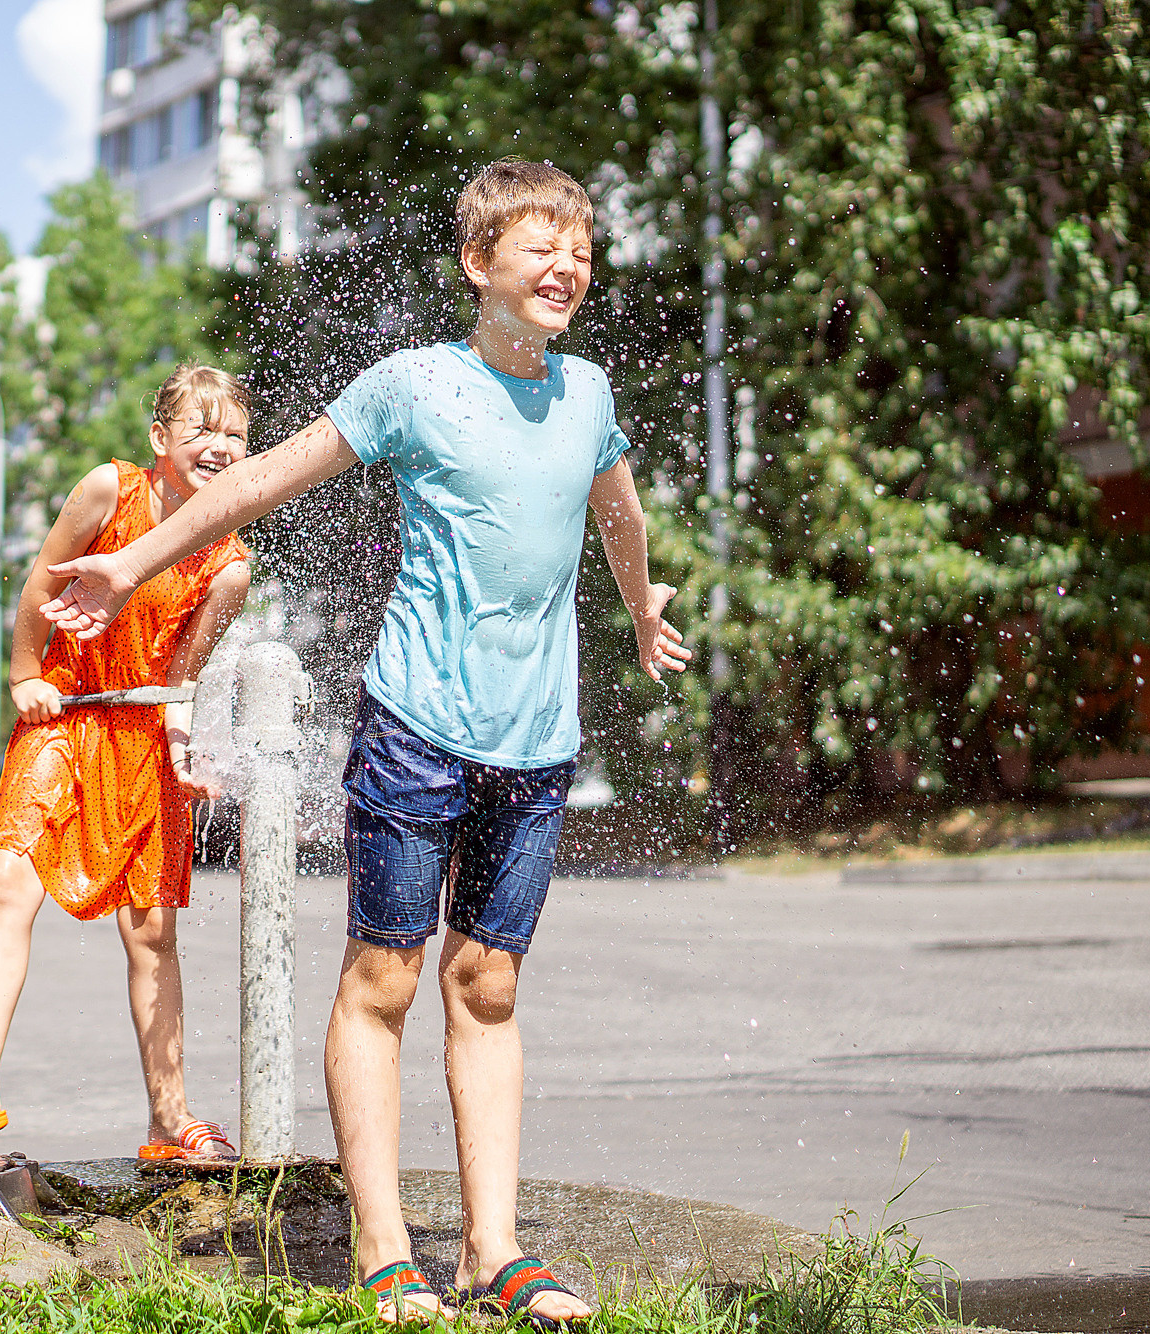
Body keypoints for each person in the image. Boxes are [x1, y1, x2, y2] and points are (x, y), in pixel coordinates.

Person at [40, 160, 692, 1325]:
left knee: (486, 981)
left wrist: (640, 607)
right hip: (415, 726)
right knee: (384, 976)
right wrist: (130, 562)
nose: (566, 267)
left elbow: (617, 510)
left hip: (534, 738)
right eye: (538, 246)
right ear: (476, 264)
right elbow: (257, 486)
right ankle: (383, 1249)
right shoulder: (410, 384)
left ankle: (493, 1250)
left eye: (580, 250)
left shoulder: (585, 393)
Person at [0, 365, 254, 1164]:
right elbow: (42, 577)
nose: (220, 446)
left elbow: (180, 678)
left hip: (137, 736)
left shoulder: (228, 561)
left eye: (237, 433)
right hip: (65, 712)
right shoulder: (109, 489)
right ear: (159, 439)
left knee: (152, 934)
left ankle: (170, 1119)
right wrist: (24, 672)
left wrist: (185, 743)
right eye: (201, 429)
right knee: (9, 889)